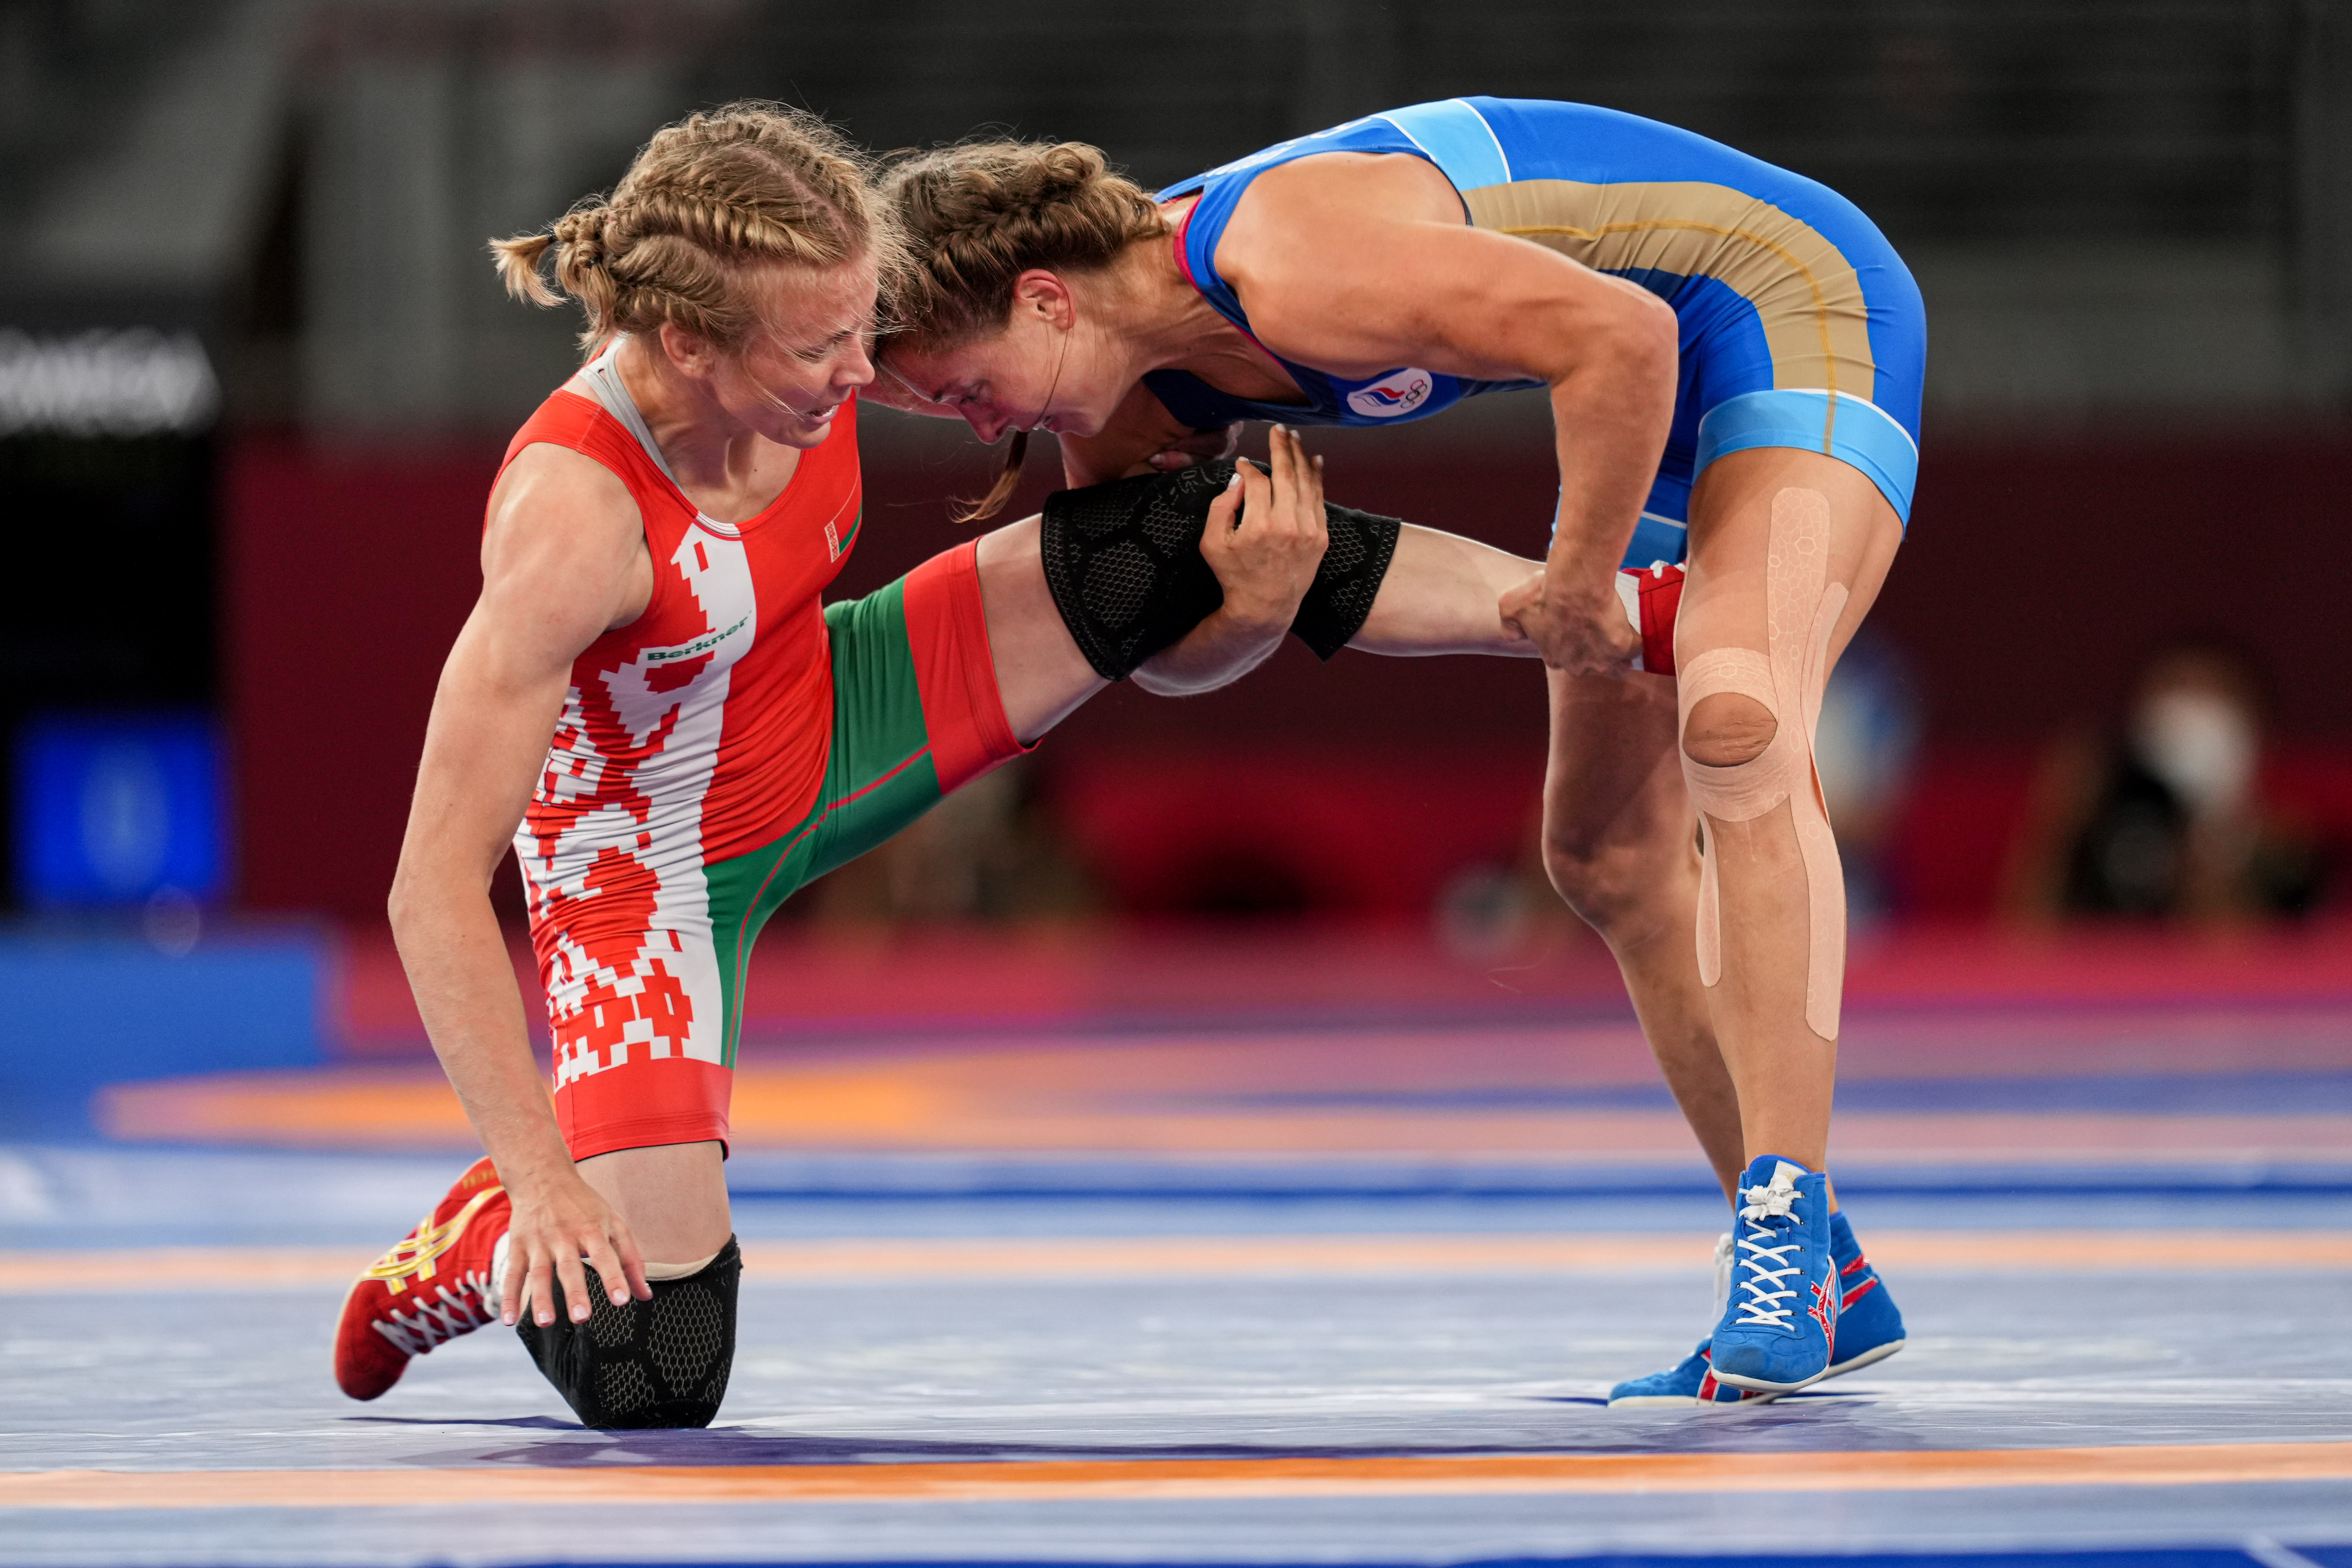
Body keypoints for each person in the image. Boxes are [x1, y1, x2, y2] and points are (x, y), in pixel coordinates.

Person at [329, 102, 1559, 1429]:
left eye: (868, 323)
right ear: (688, 344)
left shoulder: (806, 328)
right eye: (825, 348)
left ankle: (1616, 613)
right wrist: (538, 1171)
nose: (869, 371)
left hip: (829, 703)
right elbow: (431, 888)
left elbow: (1086, 285)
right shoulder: (574, 522)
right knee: (655, 1372)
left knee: (1160, 535)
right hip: (644, 871)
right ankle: (474, 1239)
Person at [873, 97, 1925, 1403]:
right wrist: (1254, 609)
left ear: (1045, 302)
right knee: (1604, 852)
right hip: (1646, 378)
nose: (982, 430)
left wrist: (1580, 579)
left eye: (967, 391)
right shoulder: (1125, 401)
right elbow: (1163, 648)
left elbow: (1626, 334)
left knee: (1738, 723)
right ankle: (1831, 1274)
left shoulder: (1286, 259)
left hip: (1787, 298)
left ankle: (1782, 1222)